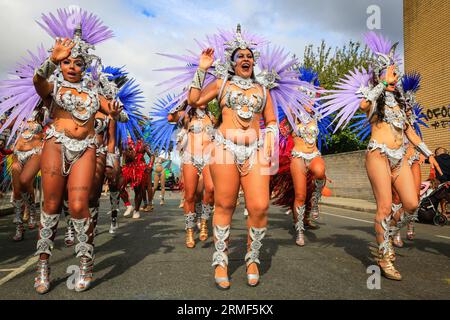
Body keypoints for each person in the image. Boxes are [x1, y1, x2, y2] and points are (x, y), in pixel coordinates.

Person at [320, 32, 442, 281]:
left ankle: (385, 237)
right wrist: (381, 83)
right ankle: (384, 255)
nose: (397, 76)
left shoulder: (400, 102)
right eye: (393, 72)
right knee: (384, 206)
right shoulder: (373, 98)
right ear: (382, 73)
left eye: (396, 73)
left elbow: (410, 132)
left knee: (411, 204)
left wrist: (430, 154)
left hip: (400, 157)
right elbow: (364, 104)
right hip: (378, 154)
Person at [31, 9, 125, 294]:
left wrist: (118, 110)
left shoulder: (94, 93)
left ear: (85, 67)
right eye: (68, 62)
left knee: (79, 205)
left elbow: (118, 115)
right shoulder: (53, 86)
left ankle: (85, 262)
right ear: (61, 64)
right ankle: (43, 265)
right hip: (56, 144)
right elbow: (37, 82)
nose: (72, 66)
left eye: (78, 63)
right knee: (49, 205)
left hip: (85, 147)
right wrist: (52, 60)